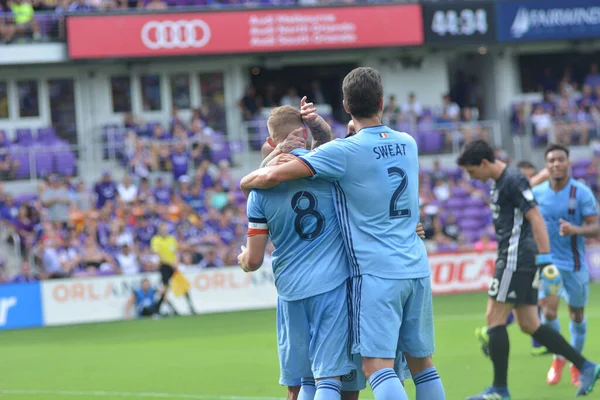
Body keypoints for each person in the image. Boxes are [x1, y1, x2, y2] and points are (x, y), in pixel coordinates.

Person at [241, 67, 444, 400]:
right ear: (382, 101)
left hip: (374, 273)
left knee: (371, 367)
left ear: (346, 106)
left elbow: (274, 177)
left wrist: (247, 180)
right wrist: (323, 130)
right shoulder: (408, 143)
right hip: (415, 265)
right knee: (422, 364)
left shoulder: (343, 154)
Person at [456, 139, 600, 399]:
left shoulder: (512, 179)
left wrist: (545, 259)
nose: (471, 176)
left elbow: (535, 216)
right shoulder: (501, 181)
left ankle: (500, 390)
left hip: (516, 258)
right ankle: (586, 366)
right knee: (529, 323)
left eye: (471, 170)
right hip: (515, 257)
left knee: (494, 319)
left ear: (485, 163)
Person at [238, 104, 354, 400]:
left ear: (271, 143)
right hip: (333, 285)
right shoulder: (327, 169)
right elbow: (328, 143)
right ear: (304, 133)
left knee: (300, 384)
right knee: (330, 378)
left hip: (291, 291)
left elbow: (253, 260)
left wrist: (241, 259)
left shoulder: (259, 192)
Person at [534, 144, 599, 387]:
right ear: (546, 165)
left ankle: (575, 363)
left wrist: (577, 229)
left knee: (576, 315)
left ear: (568, 162)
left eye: (560, 159)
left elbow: (596, 226)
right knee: (548, 312)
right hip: (550, 263)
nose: (556, 164)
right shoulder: (538, 193)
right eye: (551, 160)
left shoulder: (581, 193)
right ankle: (560, 356)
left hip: (575, 264)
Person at [475, 160, 551, 357]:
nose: (528, 180)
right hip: (526, 253)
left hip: (533, 250)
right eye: (525, 176)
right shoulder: (516, 186)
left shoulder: (531, 191)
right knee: (522, 311)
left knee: (526, 312)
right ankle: (580, 363)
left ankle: (581, 363)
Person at [151, 222, 197, 316]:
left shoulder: (171, 239)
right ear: (159, 230)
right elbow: (159, 255)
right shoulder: (156, 240)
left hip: (173, 266)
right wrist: (171, 263)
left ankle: (191, 307)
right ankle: (156, 309)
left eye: (165, 229)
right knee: (165, 287)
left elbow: (175, 252)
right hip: (164, 266)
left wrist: (176, 262)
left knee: (183, 285)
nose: (164, 231)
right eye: (163, 229)